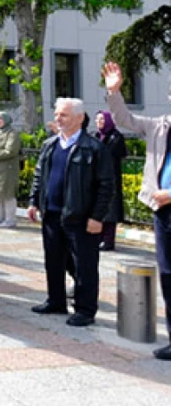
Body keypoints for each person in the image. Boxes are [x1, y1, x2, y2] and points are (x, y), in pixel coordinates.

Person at [103, 62, 171, 360]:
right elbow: (123, 118)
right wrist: (114, 91)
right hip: (162, 212)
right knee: (168, 276)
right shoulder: (159, 125)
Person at [27, 98, 113, 327]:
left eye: (63, 115)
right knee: (53, 261)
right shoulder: (50, 144)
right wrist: (34, 202)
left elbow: (106, 185)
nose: (58, 118)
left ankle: (85, 310)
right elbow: (39, 176)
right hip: (52, 214)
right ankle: (56, 301)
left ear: (79, 118)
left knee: (84, 265)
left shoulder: (94, 148)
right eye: (57, 114)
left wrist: (97, 217)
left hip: (81, 218)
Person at [94, 110, 127, 250]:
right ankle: (98, 237)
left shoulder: (116, 136)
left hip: (111, 178)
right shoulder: (96, 136)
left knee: (111, 209)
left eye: (102, 119)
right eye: (97, 120)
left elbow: (110, 154)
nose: (99, 122)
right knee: (98, 207)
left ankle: (108, 240)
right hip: (97, 178)